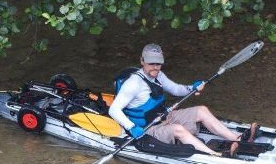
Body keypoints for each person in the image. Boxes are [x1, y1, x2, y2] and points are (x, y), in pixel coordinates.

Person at [108, 43, 258, 157]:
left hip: (165, 117)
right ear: (142, 61)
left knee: (201, 110)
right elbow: (113, 110)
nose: (155, 67)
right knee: (178, 130)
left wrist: (191, 87)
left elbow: (175, 89)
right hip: (148, 129)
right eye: (151, 63)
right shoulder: (133, 84)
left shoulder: (158, 75)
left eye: (158, 63)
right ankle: (215, 155)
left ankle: (237, 139)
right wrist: (132, 127)